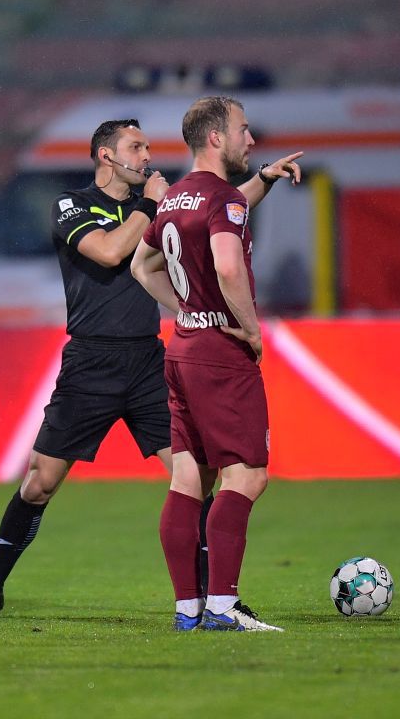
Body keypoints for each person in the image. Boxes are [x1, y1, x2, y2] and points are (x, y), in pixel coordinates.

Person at [0, 119, 300, 616]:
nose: (148, 155)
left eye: (149, 146)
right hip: (89, 362)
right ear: (106, 156)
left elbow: (213, 211)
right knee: (40, 482)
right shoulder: (72, 205)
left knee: (193, 479)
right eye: (137, 147)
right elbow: (110, 252)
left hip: (149, 362)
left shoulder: (155, 203)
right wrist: (153, 204)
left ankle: (212, 600)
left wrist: (261, 179)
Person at [132, 96, 298, 632]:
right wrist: (250, 328)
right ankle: (223, 607)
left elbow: (142, 265)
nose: (251, 140)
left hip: (181, 350)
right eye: (243, 131)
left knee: (189, 476)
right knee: (247, 476)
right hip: (220, 358)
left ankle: (189, 610)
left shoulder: (176, 198)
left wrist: (188, 310)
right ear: (215, 139)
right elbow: (228, 267)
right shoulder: (223, 198)